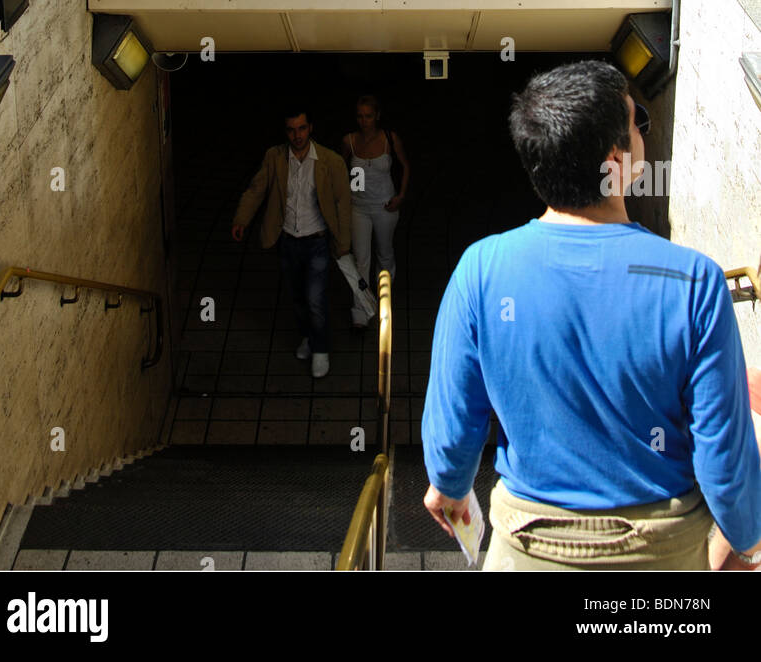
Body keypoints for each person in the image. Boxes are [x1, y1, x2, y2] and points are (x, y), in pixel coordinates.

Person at [422, 60, 761, 571]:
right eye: (637, 120)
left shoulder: (481, 270)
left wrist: (447, 485)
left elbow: (452, 437)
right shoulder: (694, 282)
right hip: (662, 554)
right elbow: (725, 460)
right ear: (614, 159)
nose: (644, 129)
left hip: (526, 548)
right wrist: (746, 540)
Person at [231, 105, 352, 378]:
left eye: (302, 128)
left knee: (315, 298)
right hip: (288, 240)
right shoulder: (275, 157)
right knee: (298, 297)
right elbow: (256, 189)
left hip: (317, 240)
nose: (297, 135)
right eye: (291, 130)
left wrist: (344, 240)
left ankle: (321, 350)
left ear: (311, 128)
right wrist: (242, 219)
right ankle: (309, 338)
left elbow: (343, 202)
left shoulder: (330, 162)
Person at [341, 94, 409, 328]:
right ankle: (360, 309)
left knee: (385, 254)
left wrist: (400, 196)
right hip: (358, 207)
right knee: (360, 259)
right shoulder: (349, 140)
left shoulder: (390, 139)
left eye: (368, 116)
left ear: (377, 116)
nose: (364, 121)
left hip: (384, 206)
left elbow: (405, 166)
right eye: (360, 116)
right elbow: (340, 171)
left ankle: (384, 301)